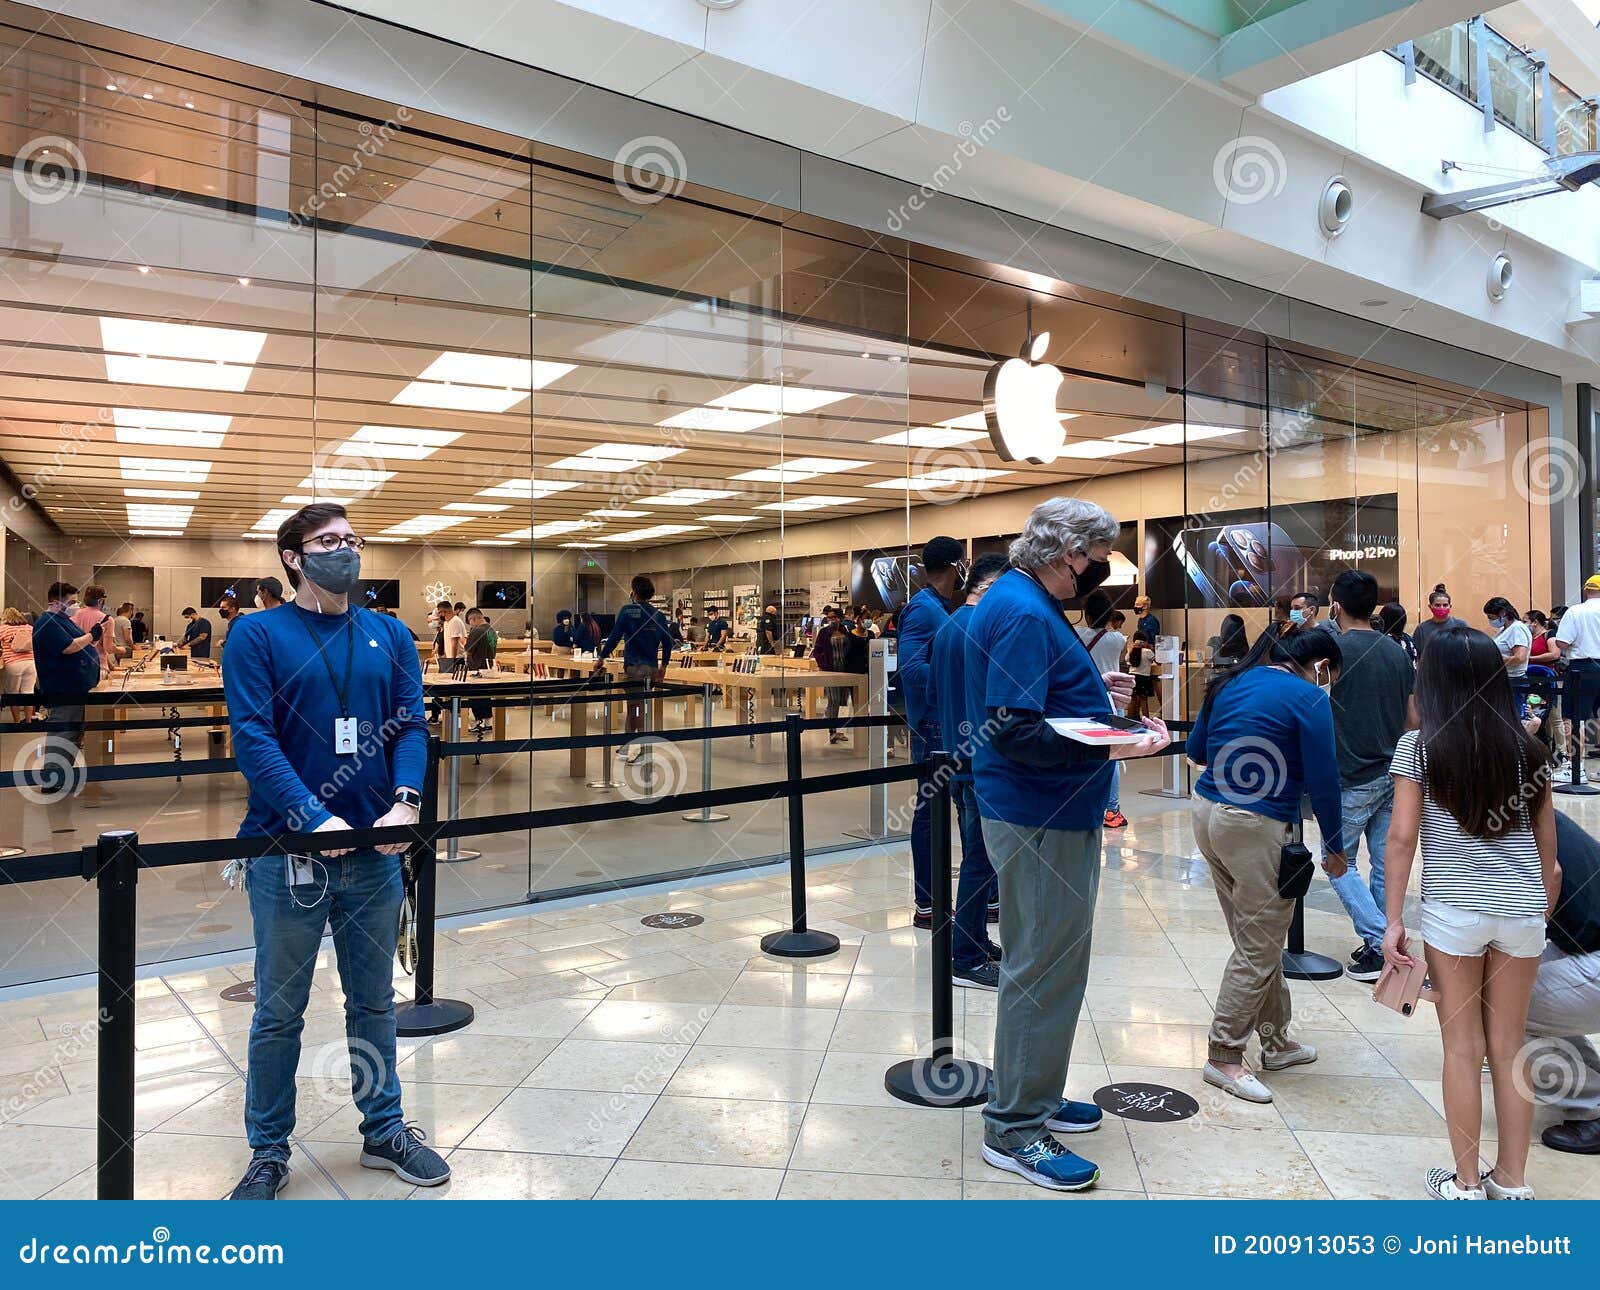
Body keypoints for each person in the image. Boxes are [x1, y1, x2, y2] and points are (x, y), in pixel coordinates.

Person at [222, 502, 443, 1200]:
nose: (345, 550)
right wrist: (313, 818)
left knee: (373, 1002)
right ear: (294, 557)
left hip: (376, 856)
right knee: (279, 1011)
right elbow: (253, 738)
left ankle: (384, 1130)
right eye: (328, 541)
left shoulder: (388, 633)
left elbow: (411, 725)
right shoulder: (258, 636)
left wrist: (405, 800)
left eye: (352, 539)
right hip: (289, 853)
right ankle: (267, 1149)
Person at [967, 498, 1170, 1191]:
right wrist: (1118, 741)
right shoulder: (1024, 610)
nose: (1096, 573)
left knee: (1055, 960)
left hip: (1049, 813)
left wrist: (1092, 698)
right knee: (1041, 966)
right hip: (1038, 816)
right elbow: (1014, 729)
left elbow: (1034, 700)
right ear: (1064, 554)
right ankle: (1015, 1125)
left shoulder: (1020, 600)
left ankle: (1039, 1091)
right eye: (1093, 558)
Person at [1382, 625, 1558, 1200]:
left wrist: (1393, 919)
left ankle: (1462, 1182)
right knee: (1509, 1048)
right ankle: (1513, 1183)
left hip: (1456, 912)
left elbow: (1402, 839)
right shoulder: (1531, 751)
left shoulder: (1420, 748)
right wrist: (1536, 915)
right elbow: (1548, 860)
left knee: (1462, 1049)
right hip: (1522, 911)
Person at [1187, 621, 1344, 1104]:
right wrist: (1336, 847)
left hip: (1208, 812)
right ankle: (1224, 1054)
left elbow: (1195, 750)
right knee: (1258, 946)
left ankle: (1276, 1042)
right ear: (1319, 666)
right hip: (1256, 825)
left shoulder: (1232, 681)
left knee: (1257, 937)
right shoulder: (1309, 697)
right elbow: (1324, 779)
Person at [1324, 569, 1415, 983]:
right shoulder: (1397, 651)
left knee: (1335, 861)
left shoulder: (1332, 653)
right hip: (1393, 771)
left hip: (1350, 775)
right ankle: (1382, 943)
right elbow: (1412, 717)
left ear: (1335, 606)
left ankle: (1380, 942)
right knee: (1383, 864)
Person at [928, 553, 1009, 989]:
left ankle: (971, 935)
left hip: (957, 756)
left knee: (978, 856)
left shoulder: (948, 626)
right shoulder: (984, 629)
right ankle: (966, 956)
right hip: (982, 760)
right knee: (982, 860)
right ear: (991, 585)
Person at [898, 536, 967, 926]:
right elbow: (911, 669)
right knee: (930, 816)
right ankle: (927, 902)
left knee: (956, 812)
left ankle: (952, 899)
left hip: (951, 723)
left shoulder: (942, 607)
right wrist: (956, 682)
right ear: (957, 565)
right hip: (934, 727)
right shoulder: (923, 610)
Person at [31, 582, 104, 826]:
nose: (75, 606)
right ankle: (52, 781)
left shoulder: (63, 621)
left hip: (75, 688)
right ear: (56, 601)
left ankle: (63, 776)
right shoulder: (48, 623)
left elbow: (79, 643)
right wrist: (92, 635)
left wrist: (91, 640)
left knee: (72, 735)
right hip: (63, 690)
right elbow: (70, 647)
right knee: (62, 733)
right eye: (71, 602)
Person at [593, 575, 673, 763]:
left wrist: (602, 657)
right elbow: (668, 643)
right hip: (651, 668)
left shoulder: (628, 611)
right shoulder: (658, 615)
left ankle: (645, 750)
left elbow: (614, 637)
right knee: (635, 707)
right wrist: (664, 666)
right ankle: (627, 745)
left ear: (634, 592)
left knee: (637, 709)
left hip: (635, 668)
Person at [1077, 591, 1130, 829]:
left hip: (1083, 702)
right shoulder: (1118, 639)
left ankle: (1086, 803)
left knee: (1082, 755)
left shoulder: (1077, 634)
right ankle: (1112, 810)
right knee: (1113, 759)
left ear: (1086, 614)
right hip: (1112, 703)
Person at [1553, 573, 1600, 779]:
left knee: (1575, 718)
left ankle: (1576, 770)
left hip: (1582, 668)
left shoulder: (1576, 611)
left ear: (1586, 590)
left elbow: (1561, 643)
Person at [810, 605, 848, 743]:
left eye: (834, 617)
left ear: (840, 618)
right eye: (829, 617)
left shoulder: (845, 630)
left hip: (845, 669)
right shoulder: (824, 632)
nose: (831, 620)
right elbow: (817, 650)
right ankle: (832, 731)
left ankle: (840, 730)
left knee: (843, 700)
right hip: (830, 669)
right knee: (833, 700)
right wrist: (823, 665)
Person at [0, 607, 37, 722]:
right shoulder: (30, 628)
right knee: (29, 692)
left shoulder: (3, 629)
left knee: (13, 694)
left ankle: (16, 723)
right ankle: (28, 721)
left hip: (13, 664)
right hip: (31, 663)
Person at [464, 608, 496, 731]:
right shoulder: (491, 630)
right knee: (486, 696)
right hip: (489, 668)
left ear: (474, 619)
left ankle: (479, 722)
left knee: (476, 697)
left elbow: (469, 649)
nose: (470, 625)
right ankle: (488, 723)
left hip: (476, 669)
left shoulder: (476, 631)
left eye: (470, 621)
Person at [1484, 596, 1531, 679]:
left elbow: (1520, 658)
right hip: (1504, 676)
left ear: (1503, 613)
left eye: (1491, 617)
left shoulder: (1517, 629)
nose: (1490, 620)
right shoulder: (1503, 629)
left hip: (1514, 679)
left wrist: (1495, 659)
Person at [72, 585, 114, 674]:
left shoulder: (72, 616)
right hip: (98, 667)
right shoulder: (106, 619)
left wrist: (111, 666)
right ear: (101, 601)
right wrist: (122, 650)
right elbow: (108, 648)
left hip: (76, 666)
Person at [1412, 583, 1460, 656]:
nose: (1441, 608)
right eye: (1437, 605)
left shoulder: (1460, 625)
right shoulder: (1421, 629)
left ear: (1450, 606)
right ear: (1430, 606)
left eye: (1445, 605)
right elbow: (1417, 656)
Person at [1125, 632, 1156, 719]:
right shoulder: (1148, 652)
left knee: (1132, 699)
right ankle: (1146, 722)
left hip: (1132, 677)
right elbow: (1158, 662)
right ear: (1144, 642)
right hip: (1143, 678)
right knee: (1143, 701)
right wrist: (1151, 648)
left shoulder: (1131, 652)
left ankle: (1131, 720)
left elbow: (1127, 661)